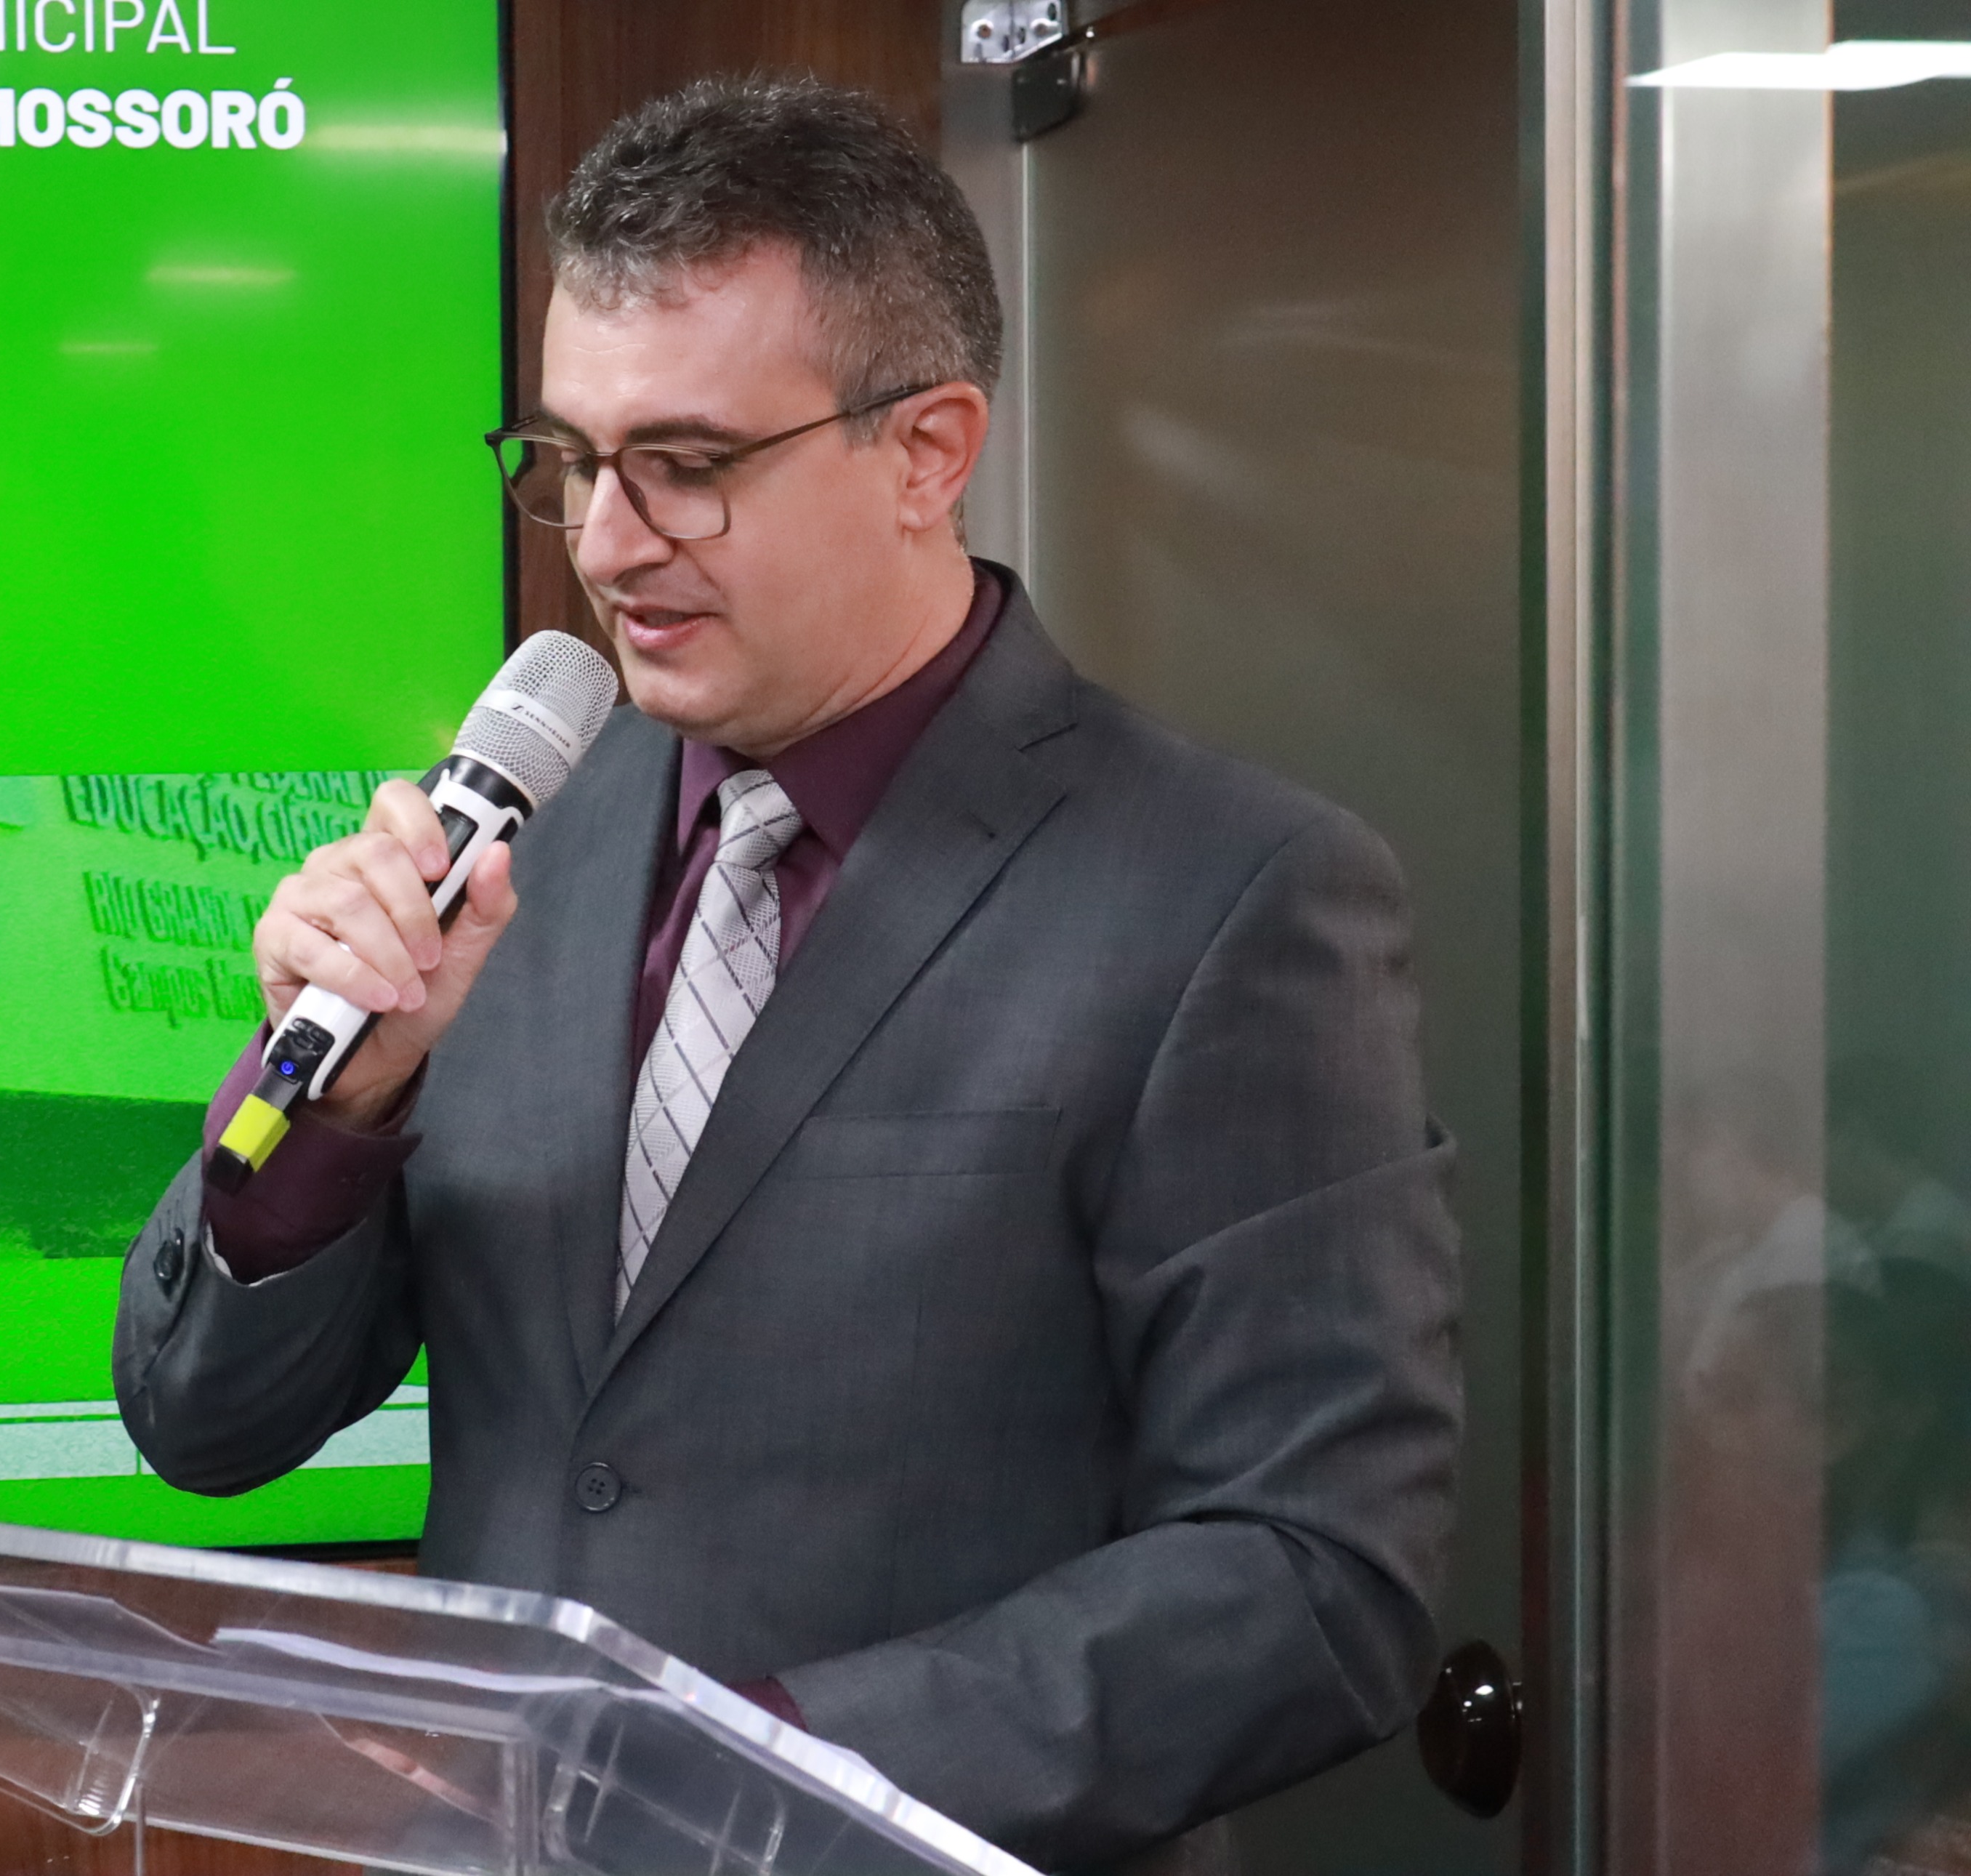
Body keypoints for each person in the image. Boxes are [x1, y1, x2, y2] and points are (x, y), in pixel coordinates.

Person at [113, 76, 1462, 1875]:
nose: (607, 544)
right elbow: (202, 1417)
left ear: (927, 451)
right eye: (574, 460)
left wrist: (750, 1767)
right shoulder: (508, 846)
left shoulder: (1231, 896)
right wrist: (342, 1108)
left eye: (688, 466)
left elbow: (1317, 1578)